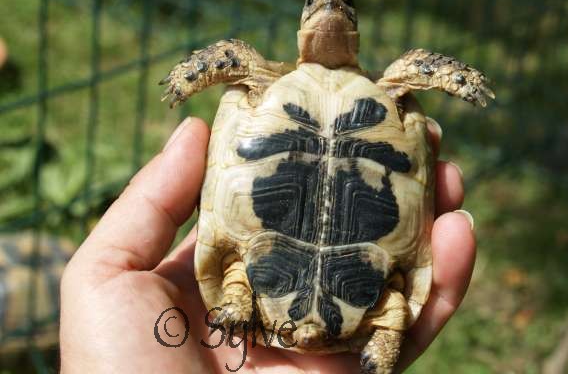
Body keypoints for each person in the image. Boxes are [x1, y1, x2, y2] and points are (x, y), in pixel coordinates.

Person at [60, 116, 475, 373]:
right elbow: (393, 306)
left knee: (240, 281)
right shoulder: (392, 102)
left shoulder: (262, 92)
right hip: (311, 269)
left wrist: (239, 303)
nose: (310, 339)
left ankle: (244, 300)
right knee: (388, 308)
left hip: (276, 269)